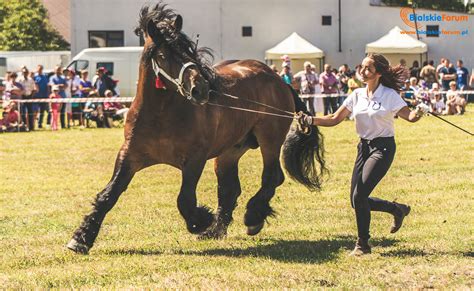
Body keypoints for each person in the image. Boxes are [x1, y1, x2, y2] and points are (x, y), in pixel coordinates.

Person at [297, 53, 428, 256]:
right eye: (362, 67)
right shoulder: (357, 94)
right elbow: (334, 118)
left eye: (368, 68)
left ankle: (363, 245)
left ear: (378, 73)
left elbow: (409, 117)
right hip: (363, 148)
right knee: (355, 200)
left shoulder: (389, 95)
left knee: (360, 196)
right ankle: (397, 209)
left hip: (383, 148)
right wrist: (310, 120)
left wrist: (419, 111)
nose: (363, 71)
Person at [17, 66, 37, 130]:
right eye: (23, 72)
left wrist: (32, 95)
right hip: (22, 97)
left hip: (29, 97)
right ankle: (24, 126)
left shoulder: (31, 80)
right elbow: (18, 88)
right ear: (22, 72)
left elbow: (34, 89)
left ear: (27, 72)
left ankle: (31, 126)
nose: (25, 73)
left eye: (26, 72)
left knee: (30, 112)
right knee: (22, 112)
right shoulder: (19, 80)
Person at [34, 65, 50, 129]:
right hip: (37, 96)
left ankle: (40, 124)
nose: (40, 70)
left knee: (42, 111)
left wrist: (48, 94)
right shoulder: (35, 77)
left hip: (44, 96)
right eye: (38, 69)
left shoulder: (45, 77)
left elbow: (47, 86)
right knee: (35, 111)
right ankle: (33, 124)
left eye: (41, 69)